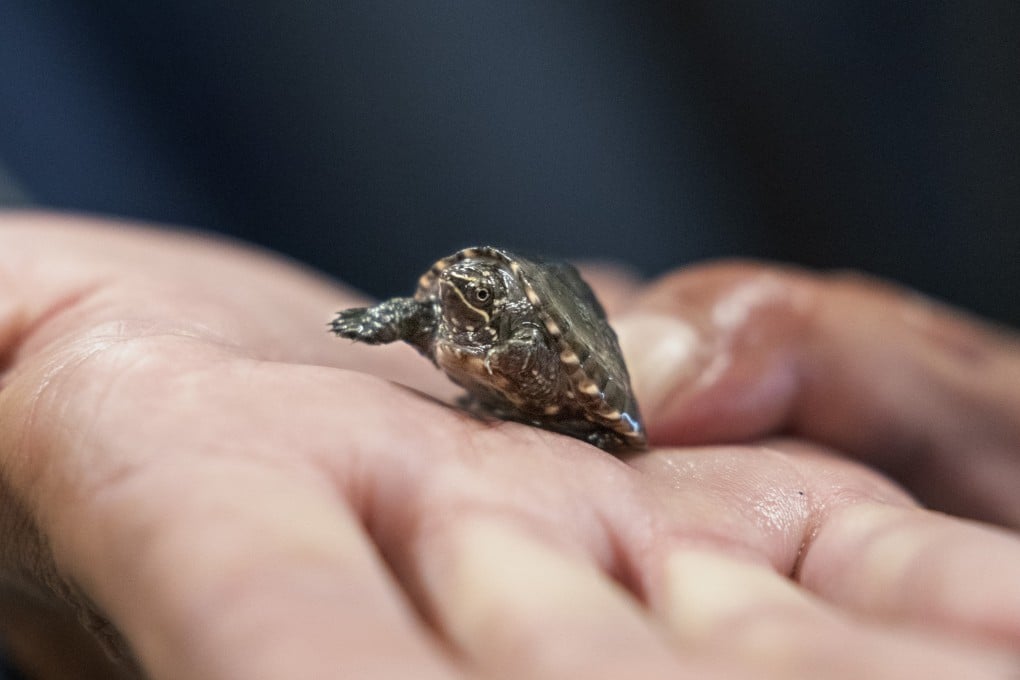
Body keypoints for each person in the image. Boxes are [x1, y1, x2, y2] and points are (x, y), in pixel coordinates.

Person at [1, 212, 1018, 679]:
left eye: (475, 300)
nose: (460, 301)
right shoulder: (451, 296)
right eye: (459, 297)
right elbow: (420, 310)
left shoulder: (516, 319)